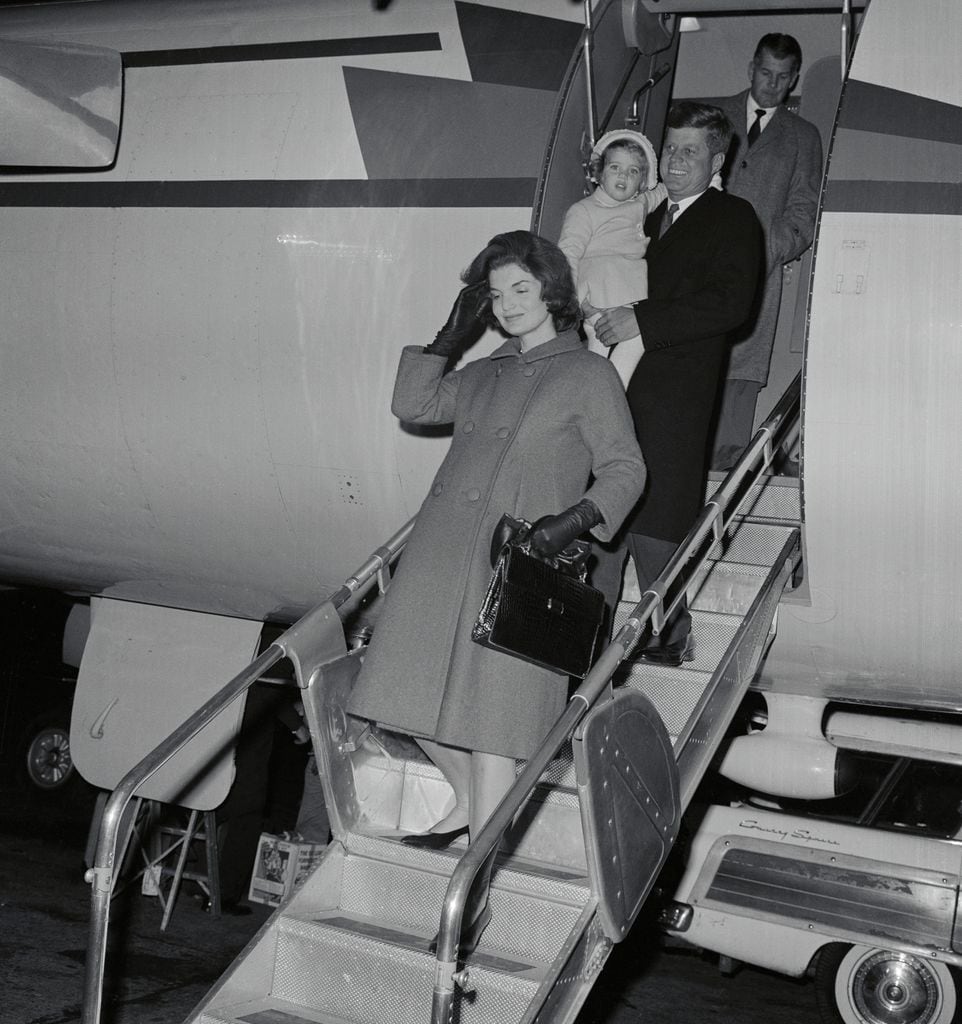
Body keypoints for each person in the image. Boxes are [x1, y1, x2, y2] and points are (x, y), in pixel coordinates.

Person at [349, 230, 645, 951]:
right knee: (398, 698)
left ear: (552, 290)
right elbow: (415, 402)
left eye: (522, 288)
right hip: (443, 560)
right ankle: (476, 806)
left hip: (521, 568)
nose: (509, 304)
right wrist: (448, 339)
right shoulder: (485, 370)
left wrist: (571, 522)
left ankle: (472, 895)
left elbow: (626, 469)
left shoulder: (587, 374)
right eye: (495, 292)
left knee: (494, 735)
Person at [594, 102, 763, 666]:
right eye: (669, 148)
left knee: (659, 512)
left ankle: (667, 635)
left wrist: (642, 320)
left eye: (690, 151)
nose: (674, 160)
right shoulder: (638, 213)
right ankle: (588, 639)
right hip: (611, 383)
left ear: (717, 160)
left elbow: (731, 304)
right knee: (602, 508)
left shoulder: (734, 217)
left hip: (674, 394)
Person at [711, 33, 822, 470]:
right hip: (700, 265)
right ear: (751, 68)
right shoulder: (712, 116)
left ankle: (723, 472)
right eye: (765, 73)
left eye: (782, 77)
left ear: (793, 79)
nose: (772, 84)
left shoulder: (803, 136)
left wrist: (769, 247)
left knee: (739, 372)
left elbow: (804, 212)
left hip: (759, 274)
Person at [557, 129, 667, 387]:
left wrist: (712, 181)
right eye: (615, 167)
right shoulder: (584, 210)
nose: (623, 176)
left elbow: (664, 191)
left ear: (642, 182)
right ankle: (612, 392)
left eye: (633, 171)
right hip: (598, 294)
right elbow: (568, 253)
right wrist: (574, 301)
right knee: (637, 337)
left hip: (625, 293)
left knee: (600, 352)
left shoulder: (639, 204)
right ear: (599, 173)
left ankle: (593, 395)